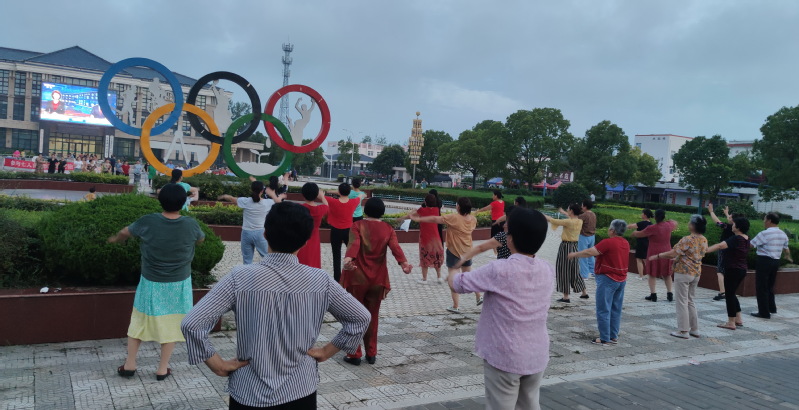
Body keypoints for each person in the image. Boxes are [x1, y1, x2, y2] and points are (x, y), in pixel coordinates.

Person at [181, 202, 371, 408]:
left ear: (265, 234)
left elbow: (192, 324)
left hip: (249, 391)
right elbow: (360, 317)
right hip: (300, 390)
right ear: (306, 240)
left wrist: (217, 365)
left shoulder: (240, 277)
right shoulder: (320, 280)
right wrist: (327, 351)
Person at [450, 207, 553, 410]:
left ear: (511, 238)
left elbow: (458, 284)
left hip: (505, 354)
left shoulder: (499, 269)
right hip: (537, 353)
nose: (505, 230)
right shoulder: (547, 269)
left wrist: (453, 268)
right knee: (530, 405)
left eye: (507, 229)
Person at [109, 183, 206, 381]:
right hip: (179, 284)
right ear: (183, 202)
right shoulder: (190, 224)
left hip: (151, 281)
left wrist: (115, 239)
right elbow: (200, 239)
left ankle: (130, 364)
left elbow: (125, 232)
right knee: (172, 323)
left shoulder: (148, 221)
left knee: (140, 320)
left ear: (160, 201)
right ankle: (162, 369)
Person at [341, 198, 413, 365]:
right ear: (382, 212)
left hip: (357, 278)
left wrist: (348, 260)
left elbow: (354, 244)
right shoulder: (388, 229)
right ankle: (371, 353)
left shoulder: (357, 226)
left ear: (365, 211)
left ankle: (354, 354)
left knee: (354, 316)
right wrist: (404, 264)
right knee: (372, 316)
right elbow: (395, 248)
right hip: (377, 279)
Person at [411, 197, 482, 313]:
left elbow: (435, 218)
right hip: (468, 251)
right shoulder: (473, 219)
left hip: (454, 252)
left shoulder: (454, 217)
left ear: (458, 207)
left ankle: (455, 306)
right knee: (469, 276)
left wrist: (419, 219)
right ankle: (479, 296)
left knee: (453, 279)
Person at [569, 220, 630, 345]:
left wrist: (575, 254)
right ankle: (613, 336)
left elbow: (590, 252)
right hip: (621, 279)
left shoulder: (608, 242)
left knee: (603, 309)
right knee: (615, 309)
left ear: (612, 230)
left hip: (608, 279)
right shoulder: (625, 242)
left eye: (609, 228)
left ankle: (604, 338)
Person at [649, 215, 708, 339]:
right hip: (696, 273)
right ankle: (694, 329)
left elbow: (673, 253)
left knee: (681, 302)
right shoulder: (704, 239)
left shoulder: (687, 239)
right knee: (690, 301)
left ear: (693, 225)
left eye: (690, 222)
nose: (688, 224)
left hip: (683, 272)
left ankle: (683, 331)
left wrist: (658, 256)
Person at [217, 178, 282, 264]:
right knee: (268, 257)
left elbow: (231, 198)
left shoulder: (245, 201)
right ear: (262, 191)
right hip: (260, 233)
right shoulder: (267, 203)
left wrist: (224, 196)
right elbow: (279, 202)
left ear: (251, 190)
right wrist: (272, 194)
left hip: (246, 233)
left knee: (247, 260)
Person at [706, 217, 751, 330]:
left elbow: (720, 245)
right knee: (732, 293)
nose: (732, 225)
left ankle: (731, 322)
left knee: (729, 295)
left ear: (738, 227)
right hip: (741, 269)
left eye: (734, 224)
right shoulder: (746, 238)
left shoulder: (736, 238)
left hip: (733, 269)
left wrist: (704, 251)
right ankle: (738, 319)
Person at [749, 212, 793, 319]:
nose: (763, 221)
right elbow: (786, 248)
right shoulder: (783, 234)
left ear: (769, 221)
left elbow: (751, 245)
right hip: (775, 262)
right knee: (770, 285)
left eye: (764, 219)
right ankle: (771, 308)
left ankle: (763, 313)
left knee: (761, 287)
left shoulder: (765, 233)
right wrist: (787, 256)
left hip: (764, 261)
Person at [632, 209, 678, 302]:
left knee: (652, 273)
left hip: (654, 252)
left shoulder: (652, 228)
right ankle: (669, 294)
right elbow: (675, 223)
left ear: (655, 217)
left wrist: (634, 232)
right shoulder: (669, 225)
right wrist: (668, 220)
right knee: (667, 274)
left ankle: (653, 295)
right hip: (666, 251)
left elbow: (639, 234)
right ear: (664, 216)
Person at [546, 204, 589, 303]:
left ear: (571, 211)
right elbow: (570, 218)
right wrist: (563, 212)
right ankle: (584, 292)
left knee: (563, 269)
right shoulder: (579, 221)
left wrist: (542, 215)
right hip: (575, 247)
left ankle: (566, 297)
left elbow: (553, 221)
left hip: (566, 247)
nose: (567, 210)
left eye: (568, 209)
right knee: (575, 270)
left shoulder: (568, 222)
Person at [403, 194, 444, 283]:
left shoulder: (421, 210)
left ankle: (424, 279)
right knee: (436, 257)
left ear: (425, 202)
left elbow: (411, 215)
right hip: (436, 238)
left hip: (425, 238)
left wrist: (413, 211)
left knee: (424, 258)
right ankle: (439, 277)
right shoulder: (437, 210)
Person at [326, 183, 360, 283]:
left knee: (336, 255)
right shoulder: (354, 201)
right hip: (348, 231)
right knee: (352, 253)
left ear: (339, 192)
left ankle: (337, 280)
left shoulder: (332, 201)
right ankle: (353, 275)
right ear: (349, 192)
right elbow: (361, 195)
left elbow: (320, 195)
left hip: (335, 231)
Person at [297, 182, 329, 269]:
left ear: (303, 194)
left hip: (301, 237)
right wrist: (322, 196)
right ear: (316, 195)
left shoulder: (300, 208)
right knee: (313, 260)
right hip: (314, 238)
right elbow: (326, 205)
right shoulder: (320, 209)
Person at [627, 209, 654, 280]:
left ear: (645, 215)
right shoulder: (651, 224)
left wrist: (627, 225)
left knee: (639, 259)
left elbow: (630, 226)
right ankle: (649, 274)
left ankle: (641, 276)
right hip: (648, 243)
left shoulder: (641, 223)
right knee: (646, 260)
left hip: (641, 243)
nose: (641, 215)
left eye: (642, 213)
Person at [577, 199, 597, 280]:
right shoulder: (593, 214)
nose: (581, 207)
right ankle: (594, 272)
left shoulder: (584, 215)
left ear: (585, 206)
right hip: (592, 237)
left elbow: (575, 220)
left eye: (582, 205)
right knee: (590, 255)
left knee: (583, 255)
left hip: (584, 237)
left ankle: (584, 275)